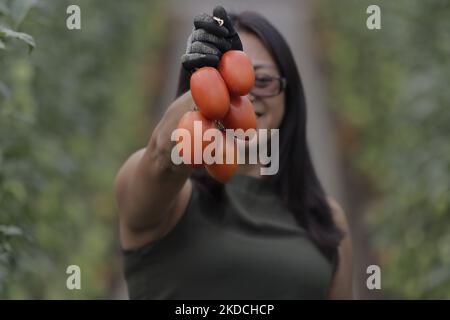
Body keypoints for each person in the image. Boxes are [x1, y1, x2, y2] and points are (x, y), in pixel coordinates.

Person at [114, 6, 352, 300]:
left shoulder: (327, 219)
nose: (246, 95)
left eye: (262, 81)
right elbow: (162, 157)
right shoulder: (172, 199)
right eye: (231, 85)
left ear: (289, 97)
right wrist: (201, 95)